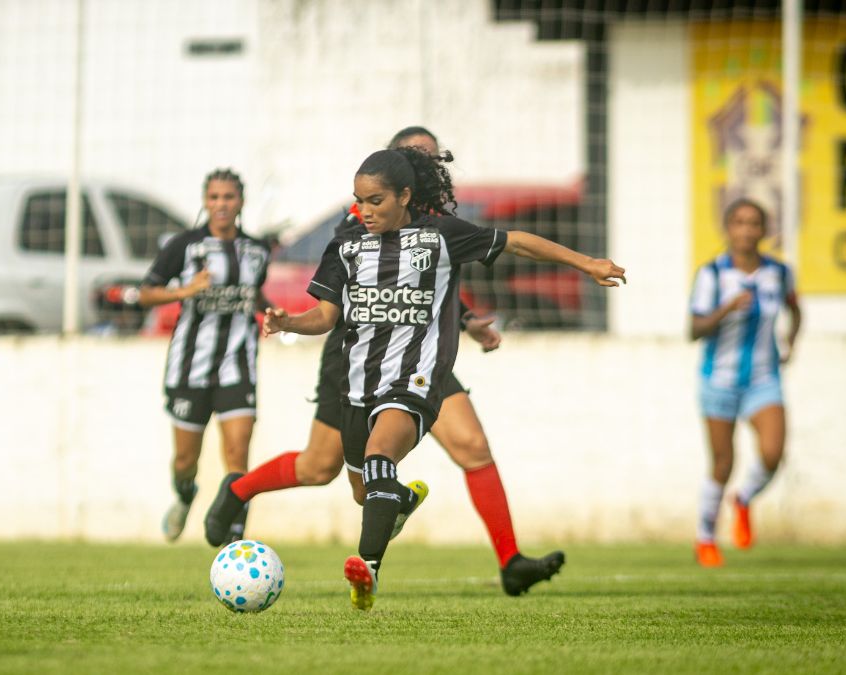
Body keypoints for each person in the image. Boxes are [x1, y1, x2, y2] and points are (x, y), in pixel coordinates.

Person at [205, 126, 566, 597]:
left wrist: (468, 320)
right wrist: (291, 320)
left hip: (420, 357)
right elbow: (366, 289)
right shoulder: (362, 223)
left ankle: (510, 560)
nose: (426, 163)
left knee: (472, 446)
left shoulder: (438, 225)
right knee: (321, 467)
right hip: (354, 357)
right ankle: (239, 489)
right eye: (415, 156)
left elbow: (431, 285)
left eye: (430, 157)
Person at [261, 147, 625, 610]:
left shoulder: (440, 236)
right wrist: (290, 322)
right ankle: (396, 501)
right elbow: (326, 316)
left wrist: (587, 264)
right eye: (359, 201)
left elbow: (516, 241)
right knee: (365, 491)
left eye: (375, 201)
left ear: (404, 196)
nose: (365, 211)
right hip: (357, 386)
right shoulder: (346, 246)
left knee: (379, 457)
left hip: (414, 380)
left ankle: (368, 571)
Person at [139, 169, 272, 544]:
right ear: (205, 201)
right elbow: (146, 293)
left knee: (237, 453)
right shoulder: (184, 246)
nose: (221, 204)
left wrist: (273, 314)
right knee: (185, 462)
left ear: (241, 202)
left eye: (228, 197)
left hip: (238, 364)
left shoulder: (257, 250)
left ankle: (234, 541)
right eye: (214, 197)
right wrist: (184, 291)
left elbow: (254, 295)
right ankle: (185, 495)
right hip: (190, 368)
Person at [689, 198, 801, 567]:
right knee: (723, 462)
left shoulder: (778, 272)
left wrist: (790, 342)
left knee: (772, 453)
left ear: (764, 230)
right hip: (719, 379)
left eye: (754, 223)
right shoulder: (713, 274)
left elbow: (795, 309)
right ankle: (706, 538)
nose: (747, 230)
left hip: (763, 378)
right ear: (728, 228)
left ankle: (743, 499)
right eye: (739, 222)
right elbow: (694, 328)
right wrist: (726, 308)